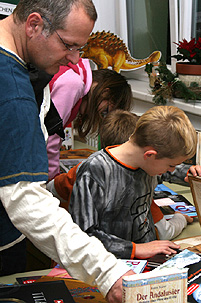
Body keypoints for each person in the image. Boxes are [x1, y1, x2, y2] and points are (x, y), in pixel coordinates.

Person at [0, 1, 134, 303]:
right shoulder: (12, 91)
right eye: (68, 46)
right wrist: (107, 272)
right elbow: (25, 199)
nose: (74, 60)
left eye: (80, 50)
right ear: (34, 25)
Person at [47, 109, 201, 240]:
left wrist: (189, 172)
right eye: (171, 165)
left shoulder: (144, 164)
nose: (171, 170)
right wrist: (137, 249)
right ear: (150, 155)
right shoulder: (94, 171)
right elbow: (85, 234)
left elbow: (165, 171)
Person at [47, 63, 132, 180]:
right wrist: (53, 182)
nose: (99, 115)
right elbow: (50, 138)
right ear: (105, 93)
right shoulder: (72, 84)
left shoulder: (75, 80)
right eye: (105, 111)